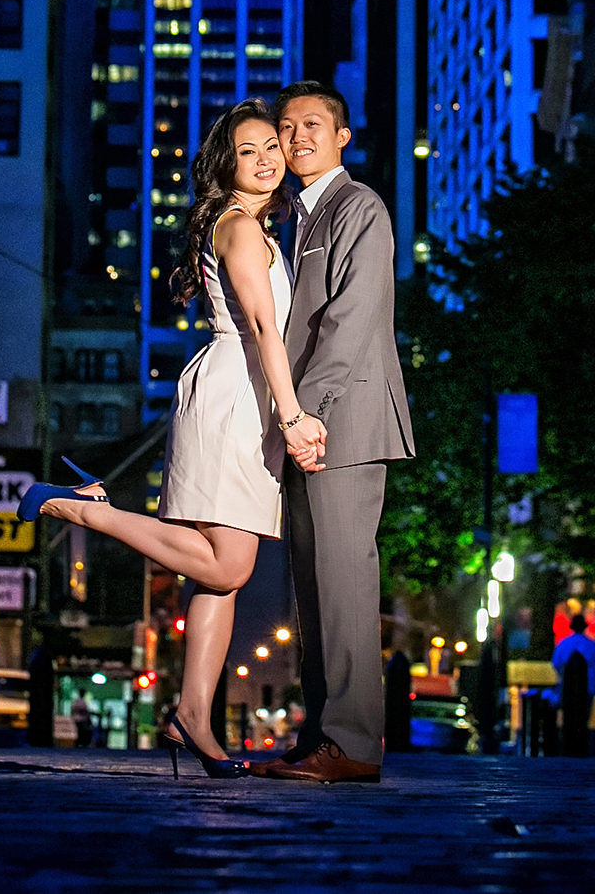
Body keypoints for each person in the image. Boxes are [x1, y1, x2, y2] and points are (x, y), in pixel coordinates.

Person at [17, 99, 326, 779]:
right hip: (235, 396)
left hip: (240, 393)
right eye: (248, 151)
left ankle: (192, 714)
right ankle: (79, 506)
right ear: (226, 163)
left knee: (220, 574)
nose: (268, 157)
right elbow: (266, 329)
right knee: (229, 568)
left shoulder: (248, 225)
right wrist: (296, 414)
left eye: (270, 145)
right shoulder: (241, 228)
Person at [256, 80, 416, 785]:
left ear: (342, 135)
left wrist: (306, 412)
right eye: (286, 127)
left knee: (345, 581)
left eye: (312, 124)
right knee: (313, 588)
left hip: (341, 419)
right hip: (312, 422)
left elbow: (353, 318)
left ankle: (351, 740)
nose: (296, 138)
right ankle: (323, 732)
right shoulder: (303, 216)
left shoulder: (359, 207)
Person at [552, 613, 595, 757]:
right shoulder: (592, 645)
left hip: (567, 688)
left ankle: (568, 746)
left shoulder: (564, 644)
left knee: (569, 716)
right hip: (588, 689)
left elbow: (556, 664)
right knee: (584, 717)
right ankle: (581, 746)